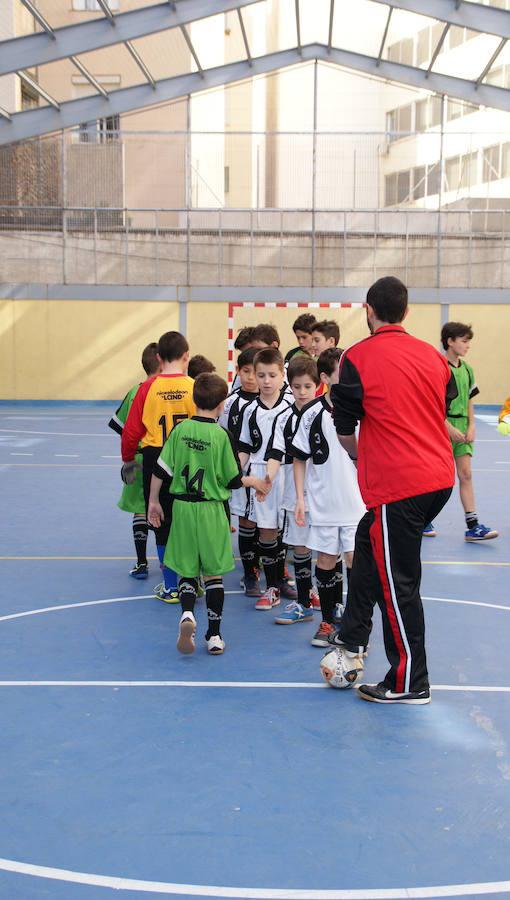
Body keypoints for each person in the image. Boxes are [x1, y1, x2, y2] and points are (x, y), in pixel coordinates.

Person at [330, 276, 456, 705]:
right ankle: (352, 638)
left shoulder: (358, 357)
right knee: (369, 543)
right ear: (405, 311)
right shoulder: (433, 357)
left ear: (368, 309)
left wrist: (362, 455)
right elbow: (442, 405)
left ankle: (408, 681)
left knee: (397, 584)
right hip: (438, 479)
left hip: (400, 486)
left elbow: (344, 429)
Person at [147, 373, 269, 655]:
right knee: (213, 577)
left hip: (183, 509)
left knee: (187, 573)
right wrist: (256, 481)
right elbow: (233, 481)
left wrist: (153, 501)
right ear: (222, 404)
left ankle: (187, 613)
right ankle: (214, 635)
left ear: (194, 400)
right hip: (212, 511)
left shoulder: (180, 431)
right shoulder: (221, 436)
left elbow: (160, 470)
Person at [291, 350, 365, 647]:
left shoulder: (362, 410)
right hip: (323, 503)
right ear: (325, 378)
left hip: (357, 503)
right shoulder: (310, 415)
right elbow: (298, 458)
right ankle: (327, 619)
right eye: (342, 372)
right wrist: (299, 498)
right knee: (324, 560)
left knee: (354, 561)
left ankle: (356, 623)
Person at [121, 331, 195, 603]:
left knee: (160, 520)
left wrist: (129, 459)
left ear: (158, 358)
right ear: (186, 356)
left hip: (155, 458)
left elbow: (131, 431)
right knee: (187, 520)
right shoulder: (193, 386)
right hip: (187, 457)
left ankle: (170, 586)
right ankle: (192, 582)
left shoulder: (147, 388)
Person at [424, 322, 498, 542]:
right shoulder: (438, 367)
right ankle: (424, 519)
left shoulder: (467, 369)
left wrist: (472, 425)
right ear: (450, 341)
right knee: (434, 477)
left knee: (466, 475)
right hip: (441, 427)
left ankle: (472, 525)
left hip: (463, 429)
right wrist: (448, 427)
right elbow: (431, 405)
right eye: (464, 341)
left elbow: (469, 401)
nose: (468, 346)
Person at [264, 355, 321, 622]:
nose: (301, 392)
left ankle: (325, 595)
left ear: (318, 385)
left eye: (307, 386)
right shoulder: (283, 417)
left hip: (323, 490)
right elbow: (275, 452)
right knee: (299, 547)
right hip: (292, 491)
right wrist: (267, 480)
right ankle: (303, 600)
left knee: (327, 548)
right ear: (290, 384)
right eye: (297, 386)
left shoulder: (325, 415)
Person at [238, 347, 293, 610]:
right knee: (267, 530)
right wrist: (235, 473)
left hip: (289, 474)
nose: (267, 381)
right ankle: (271, 588)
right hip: (260, 476)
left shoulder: (293, 406)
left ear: (283, 375)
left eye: (272, 375)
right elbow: (245, 448)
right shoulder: (249, 410)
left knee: (290, 532)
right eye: (262, 375)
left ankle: (286, 581)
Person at [108, 342, 160, 580]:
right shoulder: (166, 391)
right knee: (163, 509)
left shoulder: (134, 391)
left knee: (140, 511)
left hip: (138, 457)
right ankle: (169, 564)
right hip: (163, 458)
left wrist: (129, 459)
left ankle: (141, 563)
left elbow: (122, 427)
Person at [218, 347, 260, 595]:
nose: (252, 377)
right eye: (246, 371)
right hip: (241, 472)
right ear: (238, 372)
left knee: (269, 526)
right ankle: (250, 572)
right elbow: (221, 435)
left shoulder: (277, 399)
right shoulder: (230, 403)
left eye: (256, 372)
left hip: (267, 473)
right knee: (246, 520)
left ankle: (277, 573)